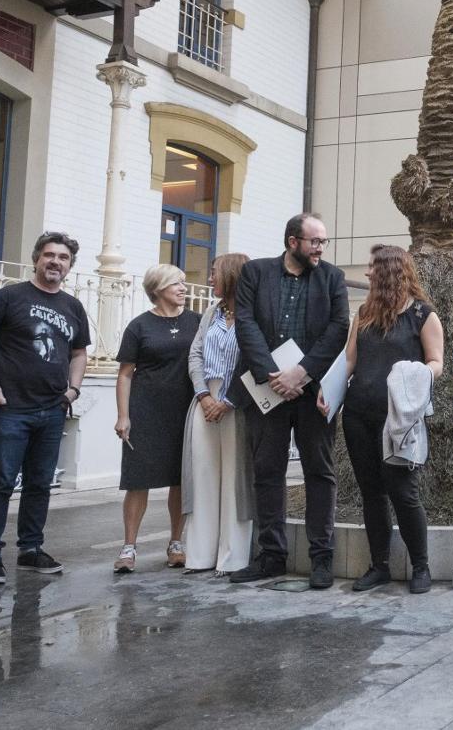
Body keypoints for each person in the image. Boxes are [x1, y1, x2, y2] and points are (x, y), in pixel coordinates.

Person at [0, 232, 90, 584]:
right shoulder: (10, 296)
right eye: (49, 255)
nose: (55, 262)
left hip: (52, 409)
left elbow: (79, 352)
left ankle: (30, 550)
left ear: (69, 266)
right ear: (36, 259)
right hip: (9, 407)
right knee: (0, 483)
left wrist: (73, 390)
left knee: (39, 484)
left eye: (63, 258)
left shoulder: (73, 307)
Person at [232, 213, 349, 589]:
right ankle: (271, 557)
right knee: (267, 471)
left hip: (313, 392)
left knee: (320, 471)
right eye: (314, 241)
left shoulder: (332, 278)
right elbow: (245, 323)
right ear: (292, 241)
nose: (320, 248)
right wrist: (271, 373)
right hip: (266, 389)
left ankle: (321, 558)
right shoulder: (256, 273)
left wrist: (301, 373)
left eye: (323, 242)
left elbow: (338, 329)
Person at [319, 244, 443, 594]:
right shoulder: (364, 313)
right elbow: (349, 361)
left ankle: (421, 567)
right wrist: (329, 390)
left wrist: (412, 374)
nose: (368, 273)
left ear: (390, 271)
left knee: (403, 493)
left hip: (399, 421)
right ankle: (380, 566)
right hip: (358, 415)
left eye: (373, 267)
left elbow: (437, 363)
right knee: (371, 493)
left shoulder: (422, 314)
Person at [112, 264, 201, 573]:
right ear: (158, 288)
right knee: (138, 481)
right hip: (146, 410)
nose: (183, 287)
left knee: (180, 481)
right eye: (176, 283)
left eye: (183, 282)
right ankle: (128, 548)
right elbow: (125, 375)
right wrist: (123, 416)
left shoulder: (197, 322)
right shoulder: (140, 326)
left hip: (186, 411)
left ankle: (176, 543)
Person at [182, 253, 253, 576]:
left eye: (214, 273)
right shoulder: (210, 312)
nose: (209, 279)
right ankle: (199, 555)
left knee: (235, 478)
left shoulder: (254, 313)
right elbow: (195, 354)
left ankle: (233, 557)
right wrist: (203, 395)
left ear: (231, 275)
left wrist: (229, 400)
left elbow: (254, 360)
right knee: (203, 477)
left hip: (237, 404)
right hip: (205, 400)